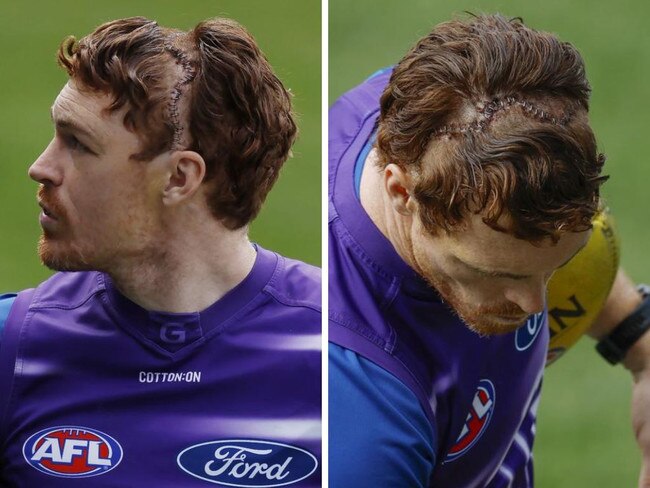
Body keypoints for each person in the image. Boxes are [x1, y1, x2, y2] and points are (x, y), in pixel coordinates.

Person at [329, 14, 650, 487]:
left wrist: (638, 340)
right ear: (403, 193)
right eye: (495, 272)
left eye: (555, 266)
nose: (536, 306)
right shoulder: (362, 424)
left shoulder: (446, 112)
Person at [0, 17, 321, 487]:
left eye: (78, 143)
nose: (41, 168)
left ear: (178, 179)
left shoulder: (337, 353)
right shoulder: (14, 348)